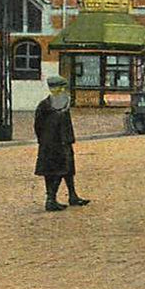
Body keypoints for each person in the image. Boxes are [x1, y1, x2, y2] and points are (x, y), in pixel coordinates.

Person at [35, 75, 90, 212]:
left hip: (64, 141)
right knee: (56, 170)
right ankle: (51, 200)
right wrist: (44, 140)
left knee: (68, 169)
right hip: (52, 144)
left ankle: (72, 196)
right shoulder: (45, 106)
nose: (63, 90)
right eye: (61, 88)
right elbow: (38, 125)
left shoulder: (63, 103)